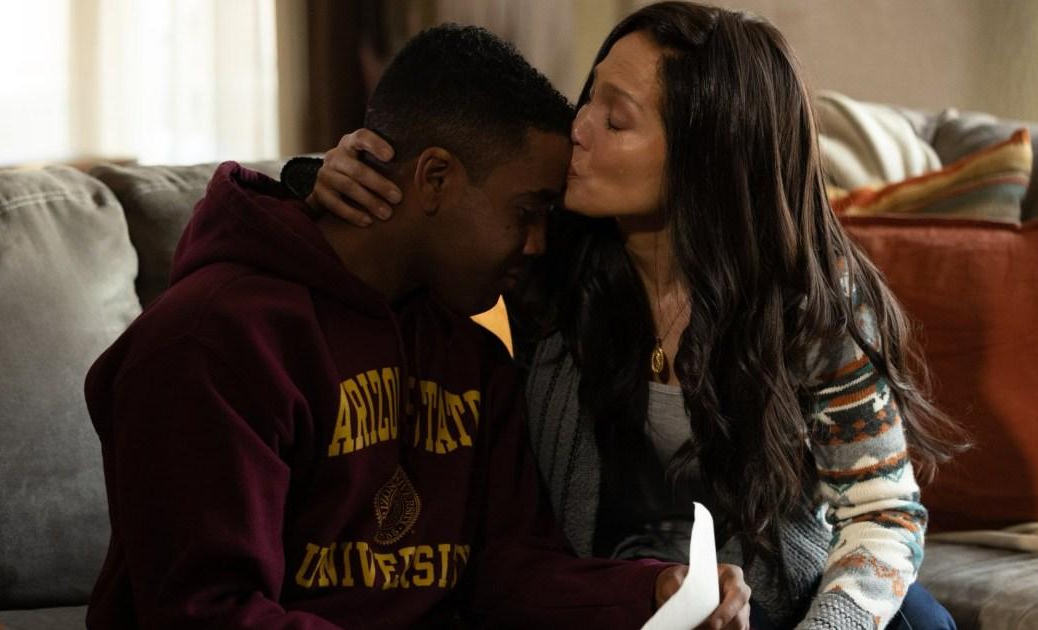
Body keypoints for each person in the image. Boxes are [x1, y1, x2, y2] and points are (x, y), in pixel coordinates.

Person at [296, 2, 968, 629]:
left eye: (615, 121)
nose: (578, 128)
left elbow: (883, 512)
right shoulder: (549, 258)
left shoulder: (808, 298)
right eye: (589, 97)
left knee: (915, 618)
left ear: (707, 156)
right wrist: (318, 180)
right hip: (615, 597)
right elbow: (420, 229)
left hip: (773, 599)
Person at [85, 24, 749, 629]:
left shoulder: (472, 354)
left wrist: (652, 592)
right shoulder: (211, 343)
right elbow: (208, 611)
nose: (538, 244)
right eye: (527, 212)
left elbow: (511, 571)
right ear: (434, 178)